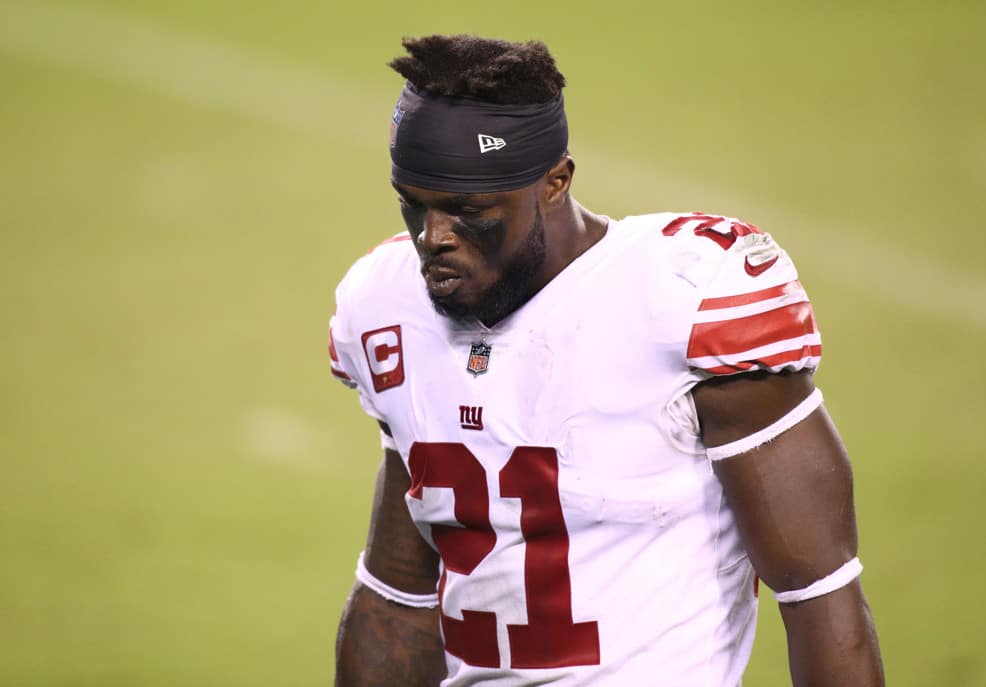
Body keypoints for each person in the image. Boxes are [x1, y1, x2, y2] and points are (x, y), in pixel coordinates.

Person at [328, 34, 884, 687]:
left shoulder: (682, 299)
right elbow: (396, 597)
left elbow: (818, 591)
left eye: (467, 211)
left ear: (555, 182)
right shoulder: (387, 302)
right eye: (414, 203)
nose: (433, 238)